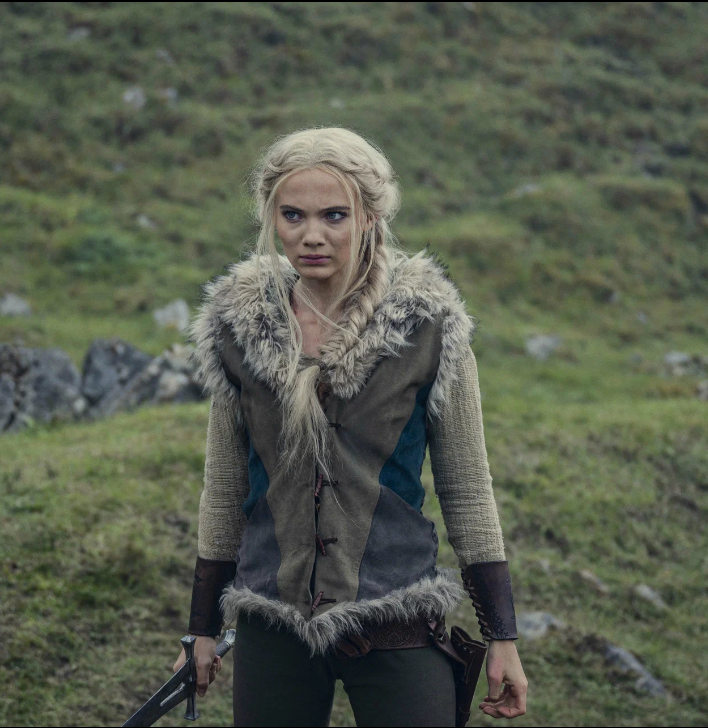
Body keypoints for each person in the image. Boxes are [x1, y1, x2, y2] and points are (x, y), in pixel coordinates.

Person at [173, 127, 527, 727]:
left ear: (369, 217)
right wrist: (201, 629)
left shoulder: (428, 328)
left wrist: (503, 636)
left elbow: (467, 488)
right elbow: (226, 487)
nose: (311, 235)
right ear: (272, 218)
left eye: (334, 215)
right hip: (272, 621)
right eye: (293, 215)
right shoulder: (240, 329)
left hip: (397, 616)